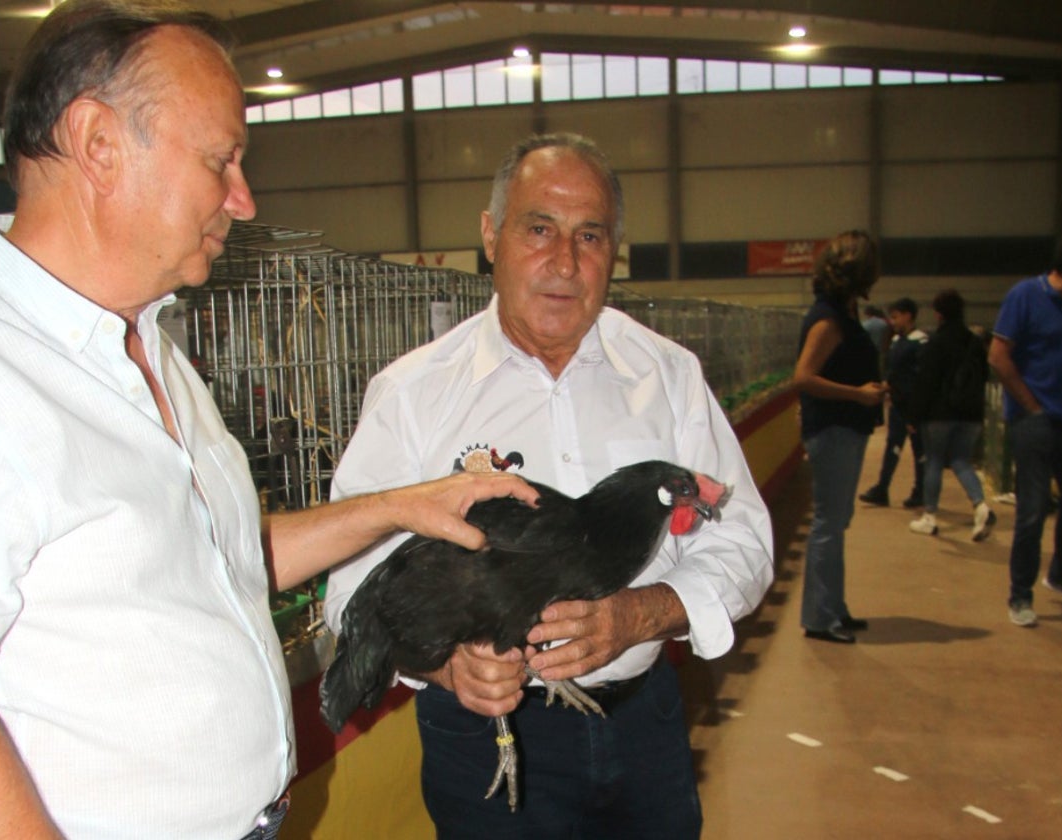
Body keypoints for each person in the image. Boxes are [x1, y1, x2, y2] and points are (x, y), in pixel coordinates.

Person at [0, 4, 538, 838]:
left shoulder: (147, 346)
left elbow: (224, 555)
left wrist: (404, 504)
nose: (242, 196)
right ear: (97, 144)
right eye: (220, 159)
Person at [323, 132, 775, 838]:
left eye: (589, 236)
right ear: (490, 235)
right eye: (539, 229)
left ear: (614, 249)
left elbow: (742, 536)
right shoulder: (413, 394)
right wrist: (446, 670)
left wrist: (642, 612)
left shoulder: (668, 376)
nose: (564, 262)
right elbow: (350, 581)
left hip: (642, 723)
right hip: (483, 736)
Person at [989, 234, 1062, 627]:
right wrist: (1032, 407)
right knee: (1033, 511)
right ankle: (1020, 595)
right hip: (1034, 423)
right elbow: (998, 356)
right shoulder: (1024, 296)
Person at [792, 230, 888, 644]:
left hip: (844, 429)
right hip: (833, 430)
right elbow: (804, 377)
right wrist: (859, 394)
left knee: (837, 520)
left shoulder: (842, 313)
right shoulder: (829, 318)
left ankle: (834, 607)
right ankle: (819, 616)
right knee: (829, 523)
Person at [905, 290, 996, 540]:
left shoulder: (937, 342)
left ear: (938, 313)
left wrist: (913, 416)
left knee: (934, 461)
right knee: (961, 461)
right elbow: (985, 376)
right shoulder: (974, 342)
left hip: (939, 414)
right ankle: (980, 507)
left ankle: (930, 516)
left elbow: (926, 382)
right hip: (971, 414)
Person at [859, 297, 927, 508]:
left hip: (914, 405)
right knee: (892, 447)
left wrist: (895, 386)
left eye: (896, 316)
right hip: (897, 404)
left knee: (919, 450)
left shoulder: (921, 342)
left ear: (908, 315)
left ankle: (920, 491)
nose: (893, 321)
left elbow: (920, 377)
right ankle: (882, 487)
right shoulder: (898, 341)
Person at [862, 304, 892, 377]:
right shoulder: (884, 323)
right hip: (882, 348)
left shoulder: (865, 324)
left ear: (867, 314)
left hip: (870, 350)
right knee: (881, 368)